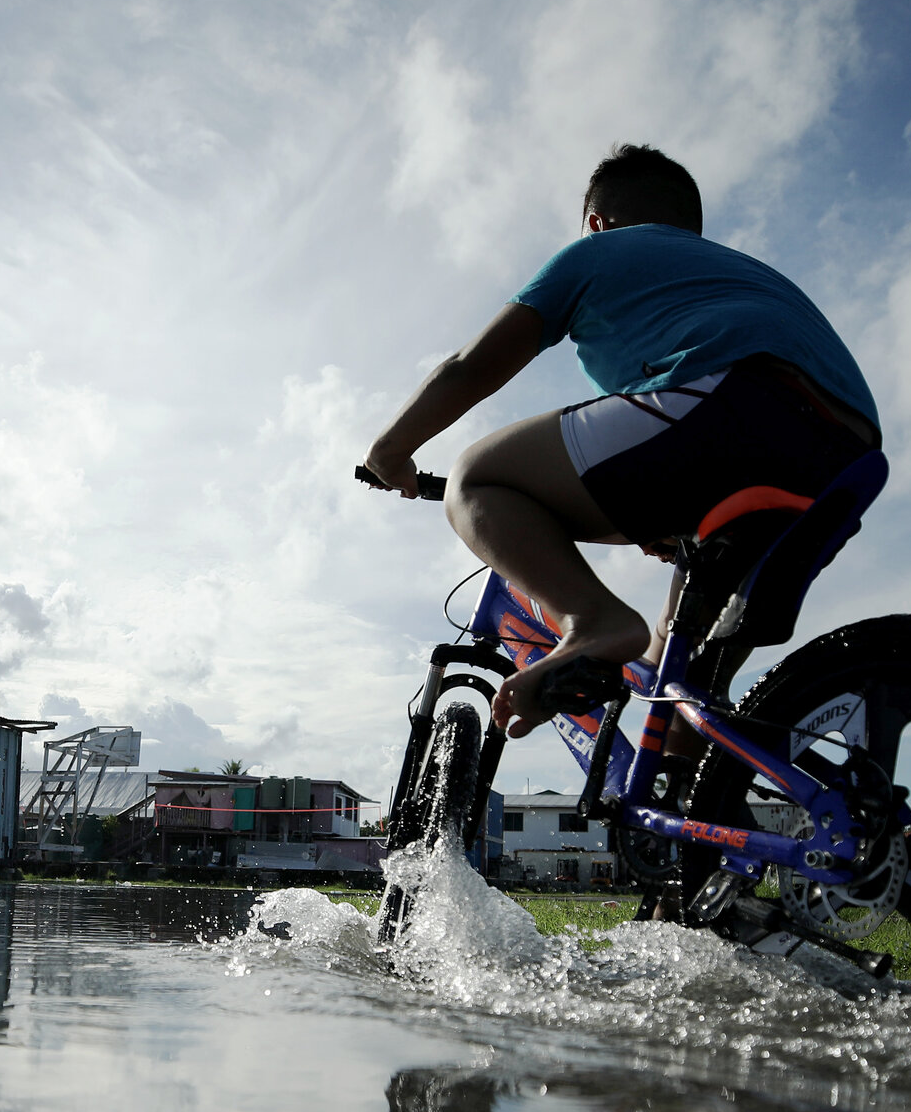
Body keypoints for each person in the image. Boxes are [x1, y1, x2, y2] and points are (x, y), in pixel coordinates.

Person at [362, 144, 881, 739]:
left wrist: (392, 451)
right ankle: (692, 808)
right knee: (680, 679)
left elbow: (471, 368)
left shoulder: (599, 251)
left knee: (476, 478)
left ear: (597, 225)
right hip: (844, 458)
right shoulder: (742, 275)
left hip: (739, 403)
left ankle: (590, 619)